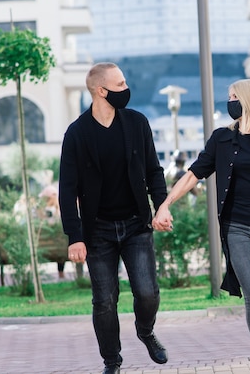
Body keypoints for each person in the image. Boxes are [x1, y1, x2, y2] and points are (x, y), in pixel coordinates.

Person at [153, 78, 250, 374]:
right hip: (236, 228)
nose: (230, 102)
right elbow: (193, 174)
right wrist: (165, 203)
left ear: (249, 98)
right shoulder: (222, 139)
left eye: (233, 96)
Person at [59, 62, 173, 374]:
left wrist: (161, 207)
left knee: (148, 293)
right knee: (104, 301)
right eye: (120, 84)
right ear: (100, 90)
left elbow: (154, 171)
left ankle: (145, 331)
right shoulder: (77, 134)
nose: (126, 89)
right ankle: (112, 361)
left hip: (137, 225)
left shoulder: (137, 123)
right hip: (97, 232)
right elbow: (66, 191)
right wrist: (75, 237)